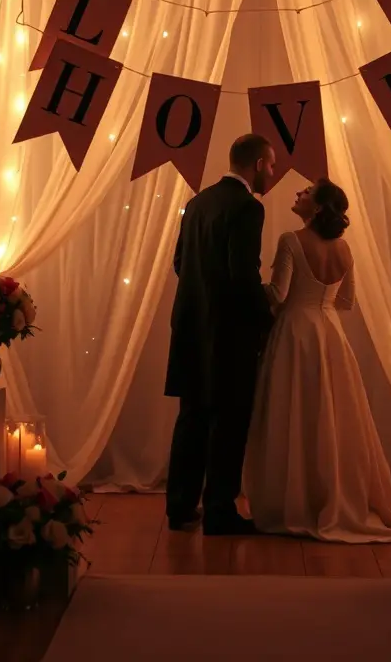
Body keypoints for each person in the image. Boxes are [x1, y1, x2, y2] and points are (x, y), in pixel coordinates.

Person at [244, 178, 391, 542]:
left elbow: (277, 295)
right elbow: (346, 303)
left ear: (318, 207)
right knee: (330, 415)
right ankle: (329, 494)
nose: (299, 193)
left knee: (292, 412)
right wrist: (320, 303)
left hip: (295, 333)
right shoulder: (344, 249)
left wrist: (249, 283)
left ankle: (292, 500)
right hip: (329, 334)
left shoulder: (290, 240)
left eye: (307, 192)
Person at [165, 133, 276, 536]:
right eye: (272, 165)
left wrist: (203, 294)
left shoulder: (197, 202)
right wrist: (266, 319)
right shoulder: (248, 207)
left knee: (192, 416)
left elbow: (180, 262)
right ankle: (218, 510)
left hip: (191, 325)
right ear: (259, 164)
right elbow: (243, 273)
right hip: (228, 333)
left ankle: (179, 506)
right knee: (229, 421)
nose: (273, 173)